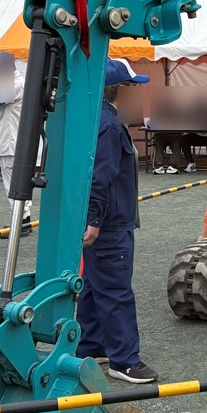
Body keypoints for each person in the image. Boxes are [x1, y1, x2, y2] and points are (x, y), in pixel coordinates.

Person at [80, 59, 159, 384]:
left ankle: (91, 347)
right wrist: (96, 220)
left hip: (103, 220)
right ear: (118, 91)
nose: (137, 94)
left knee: (93, 286)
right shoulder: (109, 126)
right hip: (110, 223)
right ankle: (124, 360)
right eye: (133, 87)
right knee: (114, 290)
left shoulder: (97, 121)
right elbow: (102, 178)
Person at [0, 52, 31, 234]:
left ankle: (21, 219)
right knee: (16, 180)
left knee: (12, 182)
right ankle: (23, 217)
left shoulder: (15, 84)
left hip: (10, 140)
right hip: (11, 138)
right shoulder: (17, 83)